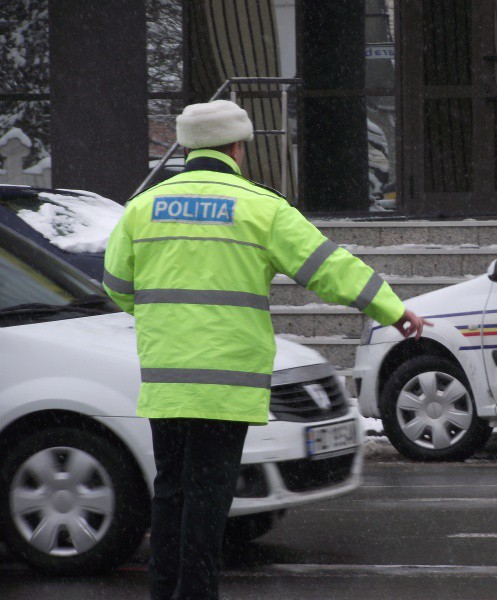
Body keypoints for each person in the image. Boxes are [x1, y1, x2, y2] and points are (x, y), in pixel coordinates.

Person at [103, 99, 428, 600]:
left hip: (168, 379)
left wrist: (168, 318)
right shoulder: (260, 207)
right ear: (237, 148)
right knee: (209, 496)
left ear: (187, 148)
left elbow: (117, 286)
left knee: (170, 491)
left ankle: (164, 591)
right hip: (227, 383)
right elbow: (328, 267)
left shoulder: (143, 207)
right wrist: (391, 308)